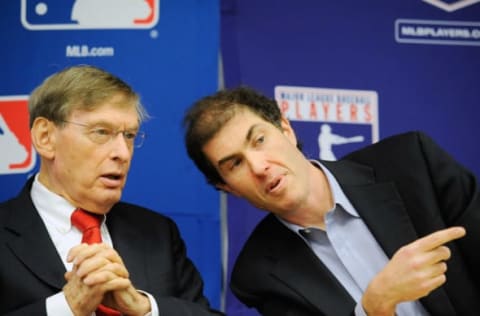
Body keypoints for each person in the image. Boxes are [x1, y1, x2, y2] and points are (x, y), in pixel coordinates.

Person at [182, 86, 480, 316]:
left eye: (259, 140)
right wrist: (373, 307)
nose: (259, 167)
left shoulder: (413, 163)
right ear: (227, 187)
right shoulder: (258, 275)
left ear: (285, 129)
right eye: (235, 164)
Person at [0, 65, 223, 316]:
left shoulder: (157, 233)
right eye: (101, 132)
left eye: (129, 135)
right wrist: (66, 308)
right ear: (45, 137)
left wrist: (145, 309)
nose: (123, 153)